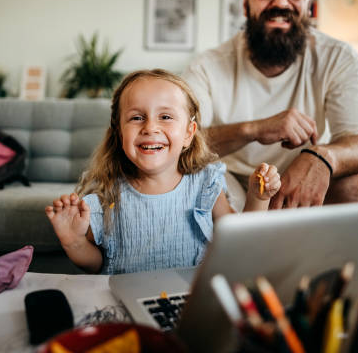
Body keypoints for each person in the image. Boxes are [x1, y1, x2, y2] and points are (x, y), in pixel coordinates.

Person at [183, 0, 358, 211]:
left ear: (308, 2)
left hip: (298, 179)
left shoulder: (339, 58)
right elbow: (182, 141)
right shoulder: (206, 66)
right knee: (193, 182)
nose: (280, 2)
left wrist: (322, 156)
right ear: (245, 3)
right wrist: (255, 129)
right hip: (230, 182)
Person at [45, 69, 281, 274]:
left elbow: (238, 243)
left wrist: (258, 198)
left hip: (188, 302)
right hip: (126, 305)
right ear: (119, 132)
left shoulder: (204, 184)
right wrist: (74, 242)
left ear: (189, 133)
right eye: (137, 117)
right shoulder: (106, 192)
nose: (150, 127)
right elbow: (97, 264)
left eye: (165, 117)